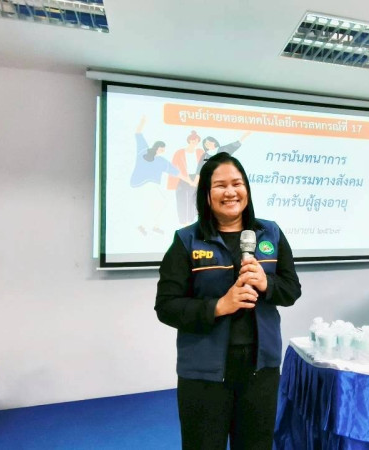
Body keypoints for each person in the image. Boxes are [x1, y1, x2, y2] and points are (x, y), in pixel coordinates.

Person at [155, 152, 301, 449]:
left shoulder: (270, 233)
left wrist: (267, 283)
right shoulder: (187, 240)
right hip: (204, 371)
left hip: (261, 369)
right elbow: (166, 306)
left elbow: (291, 290)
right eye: (220, 185)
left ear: (247, 188)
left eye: (237, 183)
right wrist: (219, 306)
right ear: (206, 194)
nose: (230, 192)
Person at [130, 116, 195, 235]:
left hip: (148, 185)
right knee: (159, 202)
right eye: (162, 149)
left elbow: (177, 173)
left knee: (160, 203)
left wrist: (190, 182)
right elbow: (138, 133)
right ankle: (144, 225)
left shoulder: (162, 161)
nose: (163, 151)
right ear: (157, 147)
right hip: (142, 184)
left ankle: (151, 225)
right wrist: (143, 121)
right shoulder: (143, 150)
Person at [168, 131, 203, 226]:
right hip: (183, 178)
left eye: (196, 140)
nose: (194, 141)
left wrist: (195, 181)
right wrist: (188, 180)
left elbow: (203, 166)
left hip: (197, 178)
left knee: (195, 201)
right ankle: (183, 224)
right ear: (189, 140)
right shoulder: (179, 152)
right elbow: (174, 169)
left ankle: (195, 224)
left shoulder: (200, 152)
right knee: (182, 200)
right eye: (192, 139)